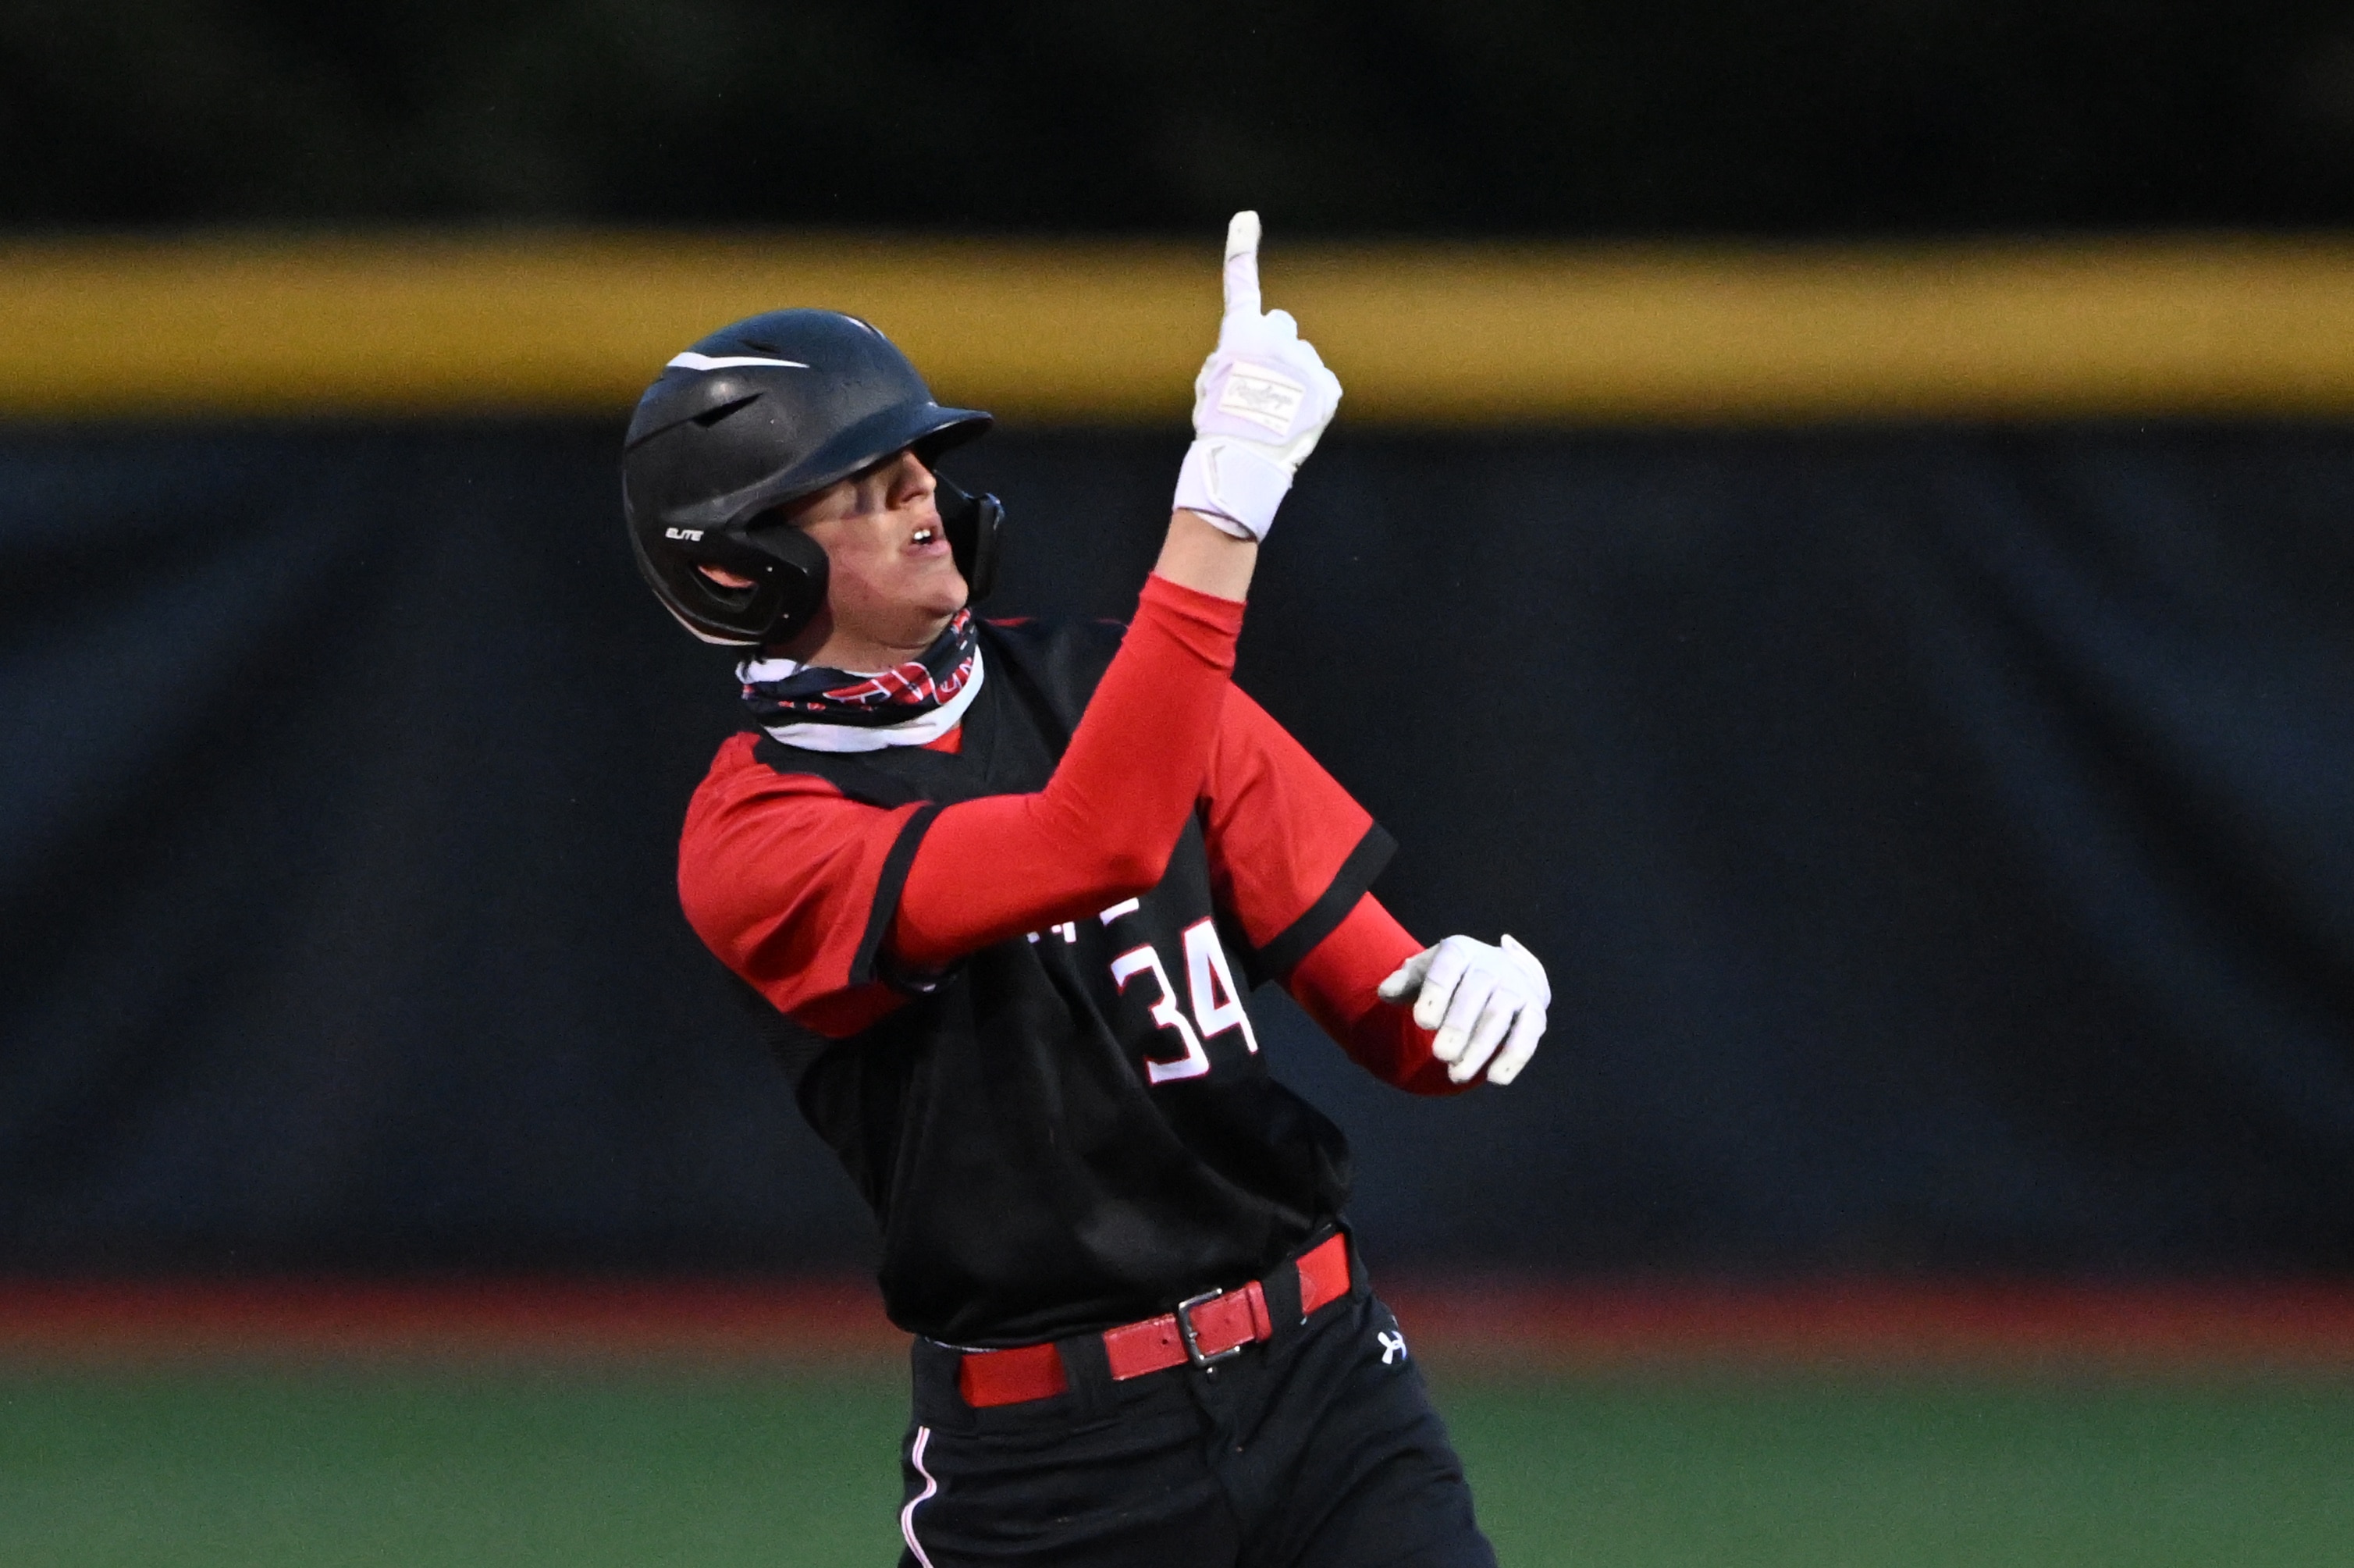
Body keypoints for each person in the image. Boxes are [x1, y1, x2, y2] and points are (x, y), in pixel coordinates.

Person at [623, 213, 1551, 1568]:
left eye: (916, 469)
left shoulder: (1123, 685)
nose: (924, 499)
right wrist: (1223, 502)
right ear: (740, 560)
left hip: (1329, 1381)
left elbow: (1396, 1026)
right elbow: (1091, 843)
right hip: (1054, 1466)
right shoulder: (757, 833)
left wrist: (1468, 994)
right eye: (866, 490)